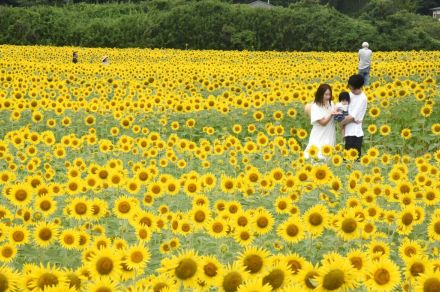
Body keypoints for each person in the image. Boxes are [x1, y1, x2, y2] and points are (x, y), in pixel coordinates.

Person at [304, 84, 337, 160]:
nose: (328, 97)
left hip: (330, 132)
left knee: (329, 153)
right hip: (319, 134)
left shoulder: (331, 103)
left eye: (329, 94)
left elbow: (334, 116)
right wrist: (331, 114)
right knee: (316, 155)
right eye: (326, 94)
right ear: (320, 94)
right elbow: (323, 123)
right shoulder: (315, 107)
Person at [340, 75, 368, 160]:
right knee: (346, 159)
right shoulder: (350, 94)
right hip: (347, 131)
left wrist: (341, 123)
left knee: (353, 160)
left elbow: (351, 117)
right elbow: (343, 109)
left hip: (355, 133)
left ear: (360, 87)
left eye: (353, 89)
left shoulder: (363, 99)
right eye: (350, 88)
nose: (351, 90)